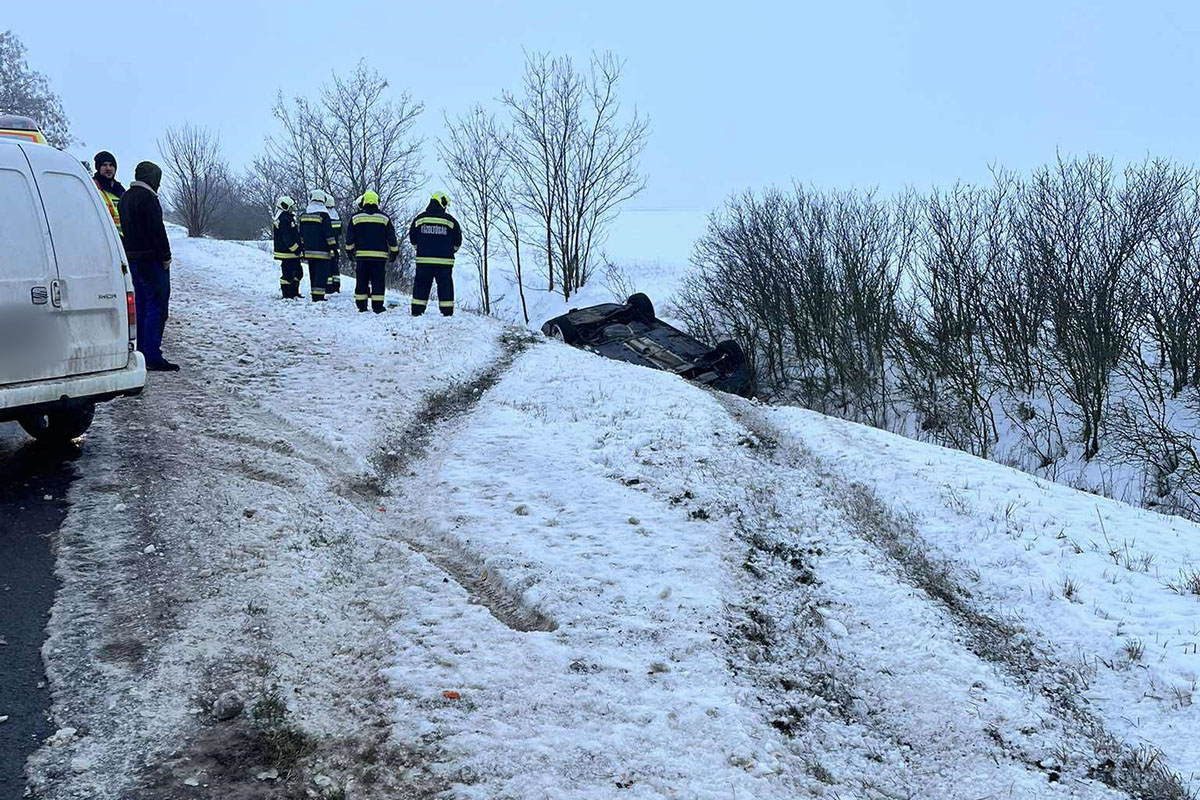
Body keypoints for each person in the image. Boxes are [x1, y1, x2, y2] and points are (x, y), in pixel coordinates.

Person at [118, 161, 178, 371]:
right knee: (157, 306)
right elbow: (157, 231)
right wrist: (166, 256)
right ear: (153, 178)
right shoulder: (149, 199)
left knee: (141, 306)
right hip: (151, 261)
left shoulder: (125, 198)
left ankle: (142, 351)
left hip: (133, 259)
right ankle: (152, 354)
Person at [344, 190, 399, 313]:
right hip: (379, 257)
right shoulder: (384, 218)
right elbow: (391, 237)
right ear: (376, 202)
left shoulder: (356, 218)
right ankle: (378, 306)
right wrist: (394, 252)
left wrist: (349, 251)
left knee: (361, 280)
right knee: (378, 281)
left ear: (364, 202)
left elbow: (350, 238)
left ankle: (361, 305)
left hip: (362, 256)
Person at [408, 191, 461, 316]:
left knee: (421, 284)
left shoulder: (420, 219)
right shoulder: (451, 221)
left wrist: (419, 248)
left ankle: (417, 310)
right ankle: (447, 312)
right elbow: (457, 241)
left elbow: (413, 238)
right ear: (442, 203)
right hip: (444, 262)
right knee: (445, 286)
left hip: (424, 261)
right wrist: (450, 250)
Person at [298, 190, 337, 301]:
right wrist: (333, 248)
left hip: (309, 251)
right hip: (323, 252)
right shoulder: (324, 215)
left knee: (313, 273)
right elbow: (329, 235)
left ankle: (314, 293)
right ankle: (318, 296)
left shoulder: (303, 215)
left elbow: (301, 234)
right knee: (321, 274)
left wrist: (302, 248)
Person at [273, 196, 304, 298]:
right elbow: (287, 236)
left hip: (290, 252)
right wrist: (295, 248)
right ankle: (287, 294)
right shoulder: (284, 219)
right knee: (288, 273)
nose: (292, 209)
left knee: (298, 272)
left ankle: (294, 292)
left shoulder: (287, 217)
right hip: (287, 251)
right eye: (291, 207)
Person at [92, 151, 125, 235]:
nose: (108, 168)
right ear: (98, 167)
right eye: (104, 165)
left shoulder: (121, 190)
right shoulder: (93, 187)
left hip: (123, 240)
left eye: (111, 165)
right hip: (104, 237)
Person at [324, 192, 342, 294]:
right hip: (336, 247)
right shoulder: (336, 215)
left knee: (328, 268)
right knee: (335, 268)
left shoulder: (325, 216)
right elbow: (339, 232)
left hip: (327, 246)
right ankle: (336, 287)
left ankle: (329, 288)